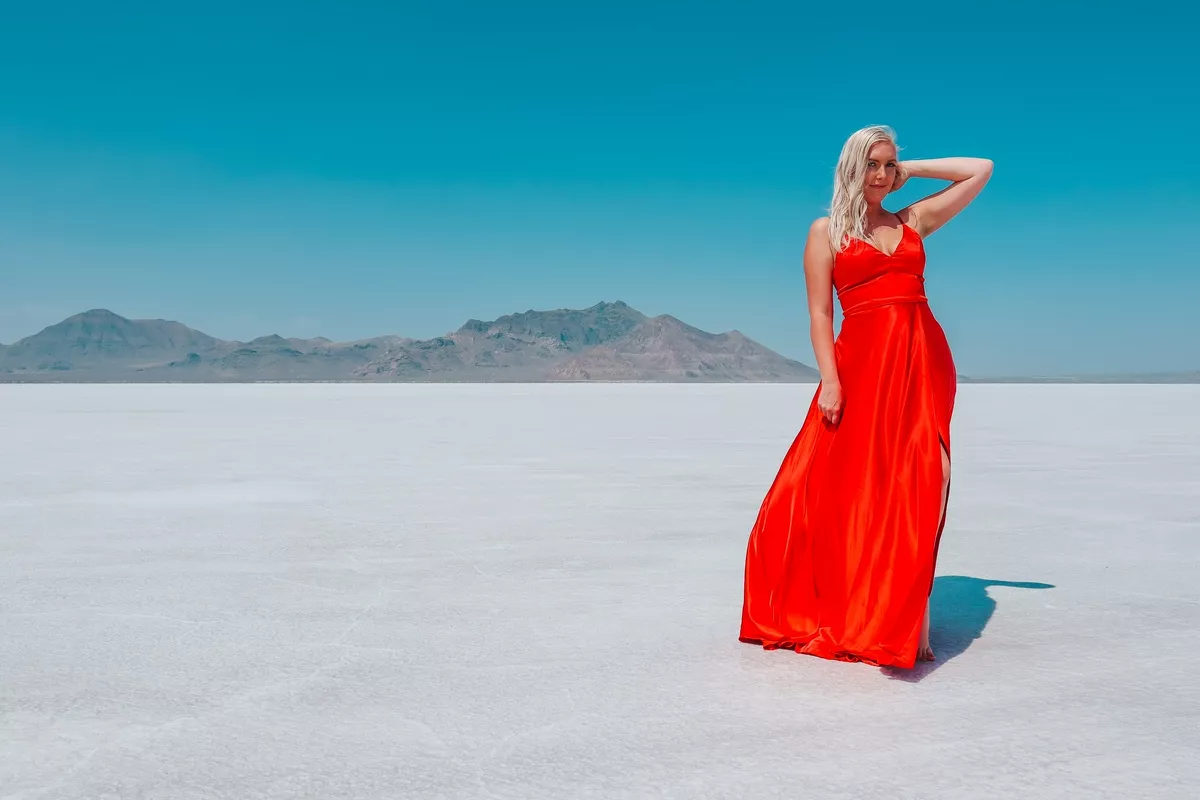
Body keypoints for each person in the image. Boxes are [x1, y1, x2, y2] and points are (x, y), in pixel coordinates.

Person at [739, 125, 993, 668]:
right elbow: (819, 313)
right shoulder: (826, 232)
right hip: (861, 365)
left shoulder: (912, 220)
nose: (880, 175)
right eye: (871, 165)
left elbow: (981, 169)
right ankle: (871, 611)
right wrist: (830, 379)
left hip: (922, 360)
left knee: (931, 477)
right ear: (850, 169)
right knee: (854, 487)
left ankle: (910, 618)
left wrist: (913, 168)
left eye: (887, 165)